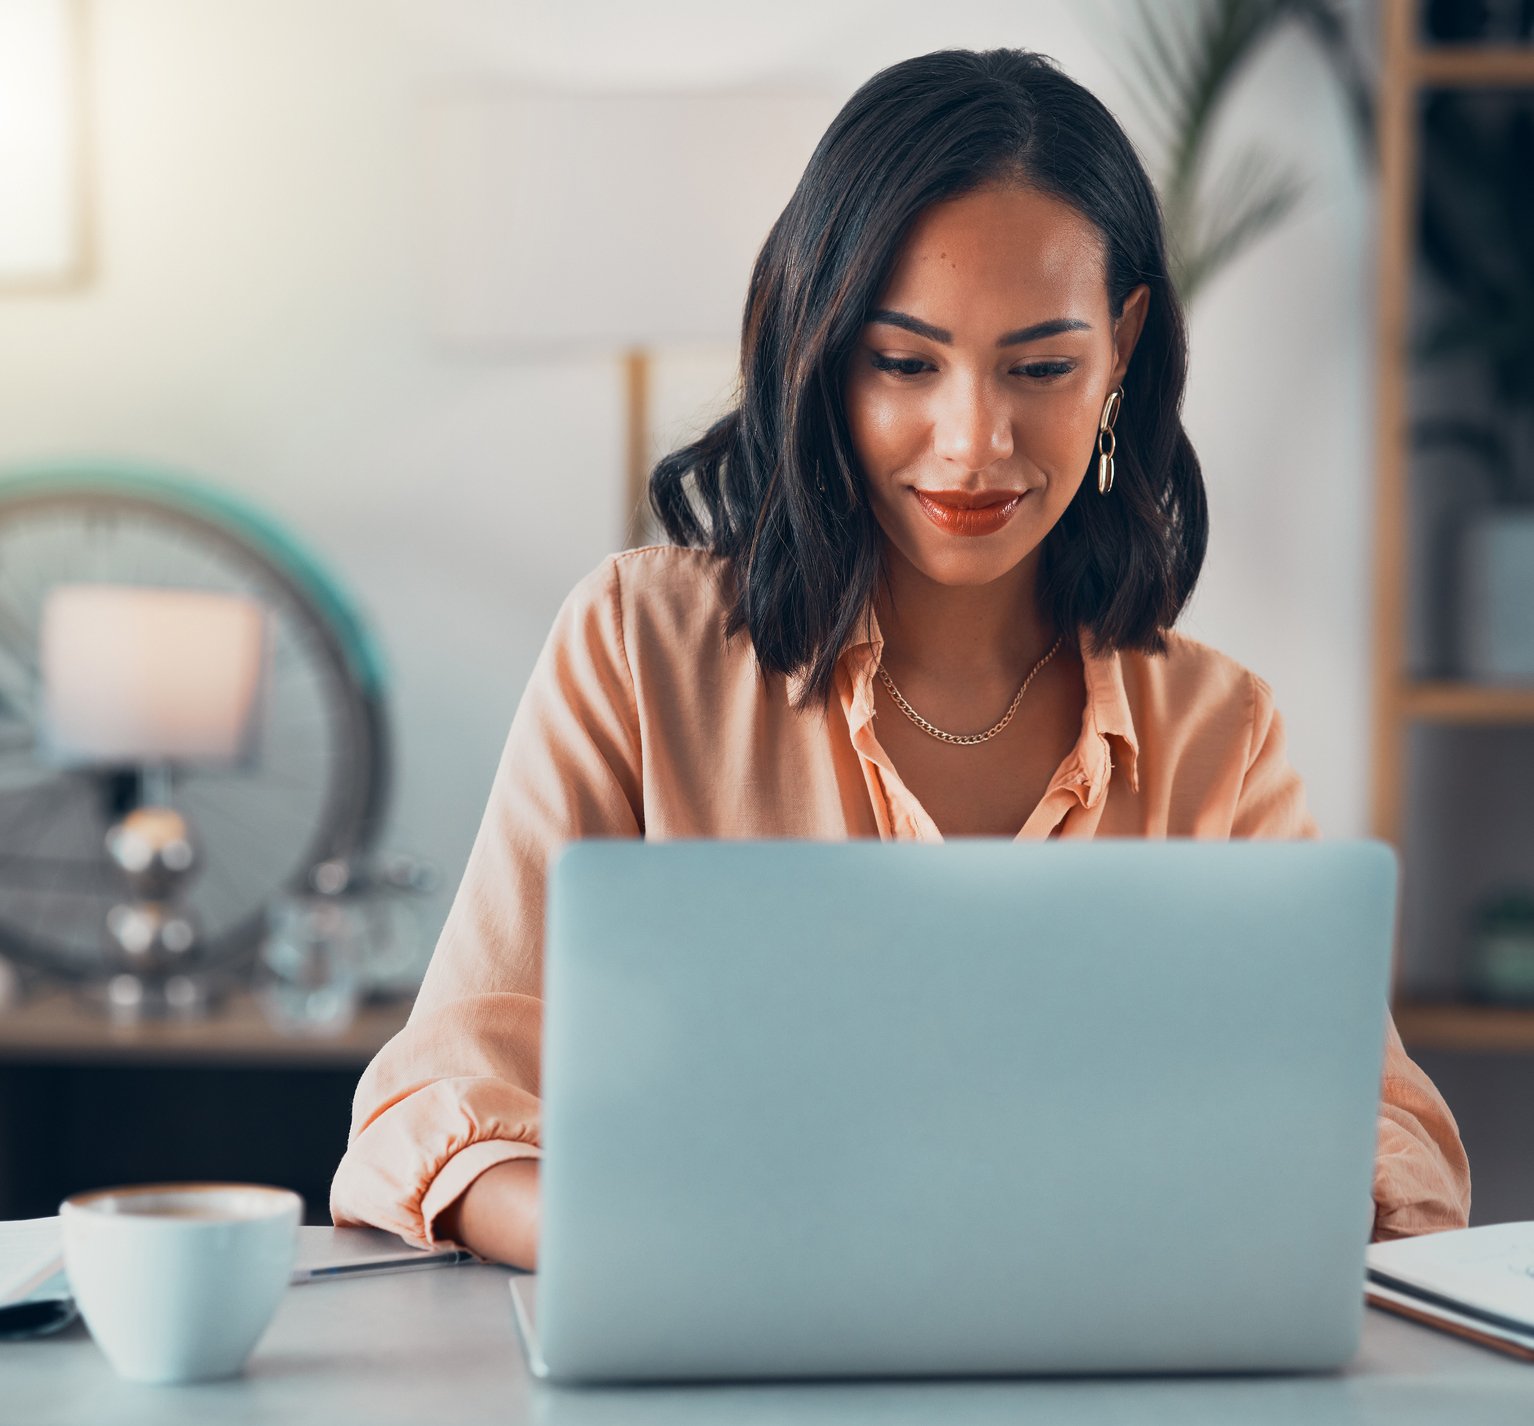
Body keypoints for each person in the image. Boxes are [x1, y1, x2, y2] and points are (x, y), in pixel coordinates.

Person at [330, 48, 1470, 1269]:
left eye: (1040, 367)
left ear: (1123, 350)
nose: (973, 442)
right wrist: (649, 1248)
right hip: (717, 1346)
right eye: (903, 362)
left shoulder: (1214, 732)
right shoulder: (636, 650)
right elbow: (437, 1106)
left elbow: (1382, 1136)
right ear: (820, 354)